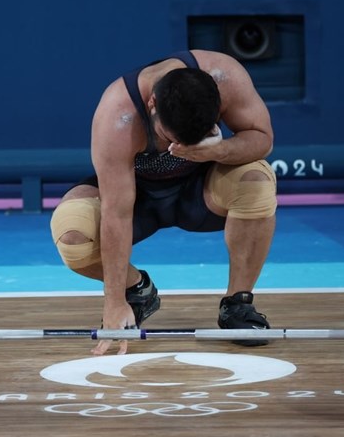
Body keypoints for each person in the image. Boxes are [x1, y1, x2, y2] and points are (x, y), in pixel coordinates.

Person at [50, 49, 277, 355]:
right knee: (72, 233)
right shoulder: (117, 114)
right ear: (152, 104)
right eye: (169, 137)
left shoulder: (225, 75)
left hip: (201, 192)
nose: (177, 148)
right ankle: (138, 290)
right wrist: (115, 300)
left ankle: (237, 304)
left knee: (257, 181)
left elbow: (263, 138)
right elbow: (116, 213)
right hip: (138, 199)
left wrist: (217, 150)